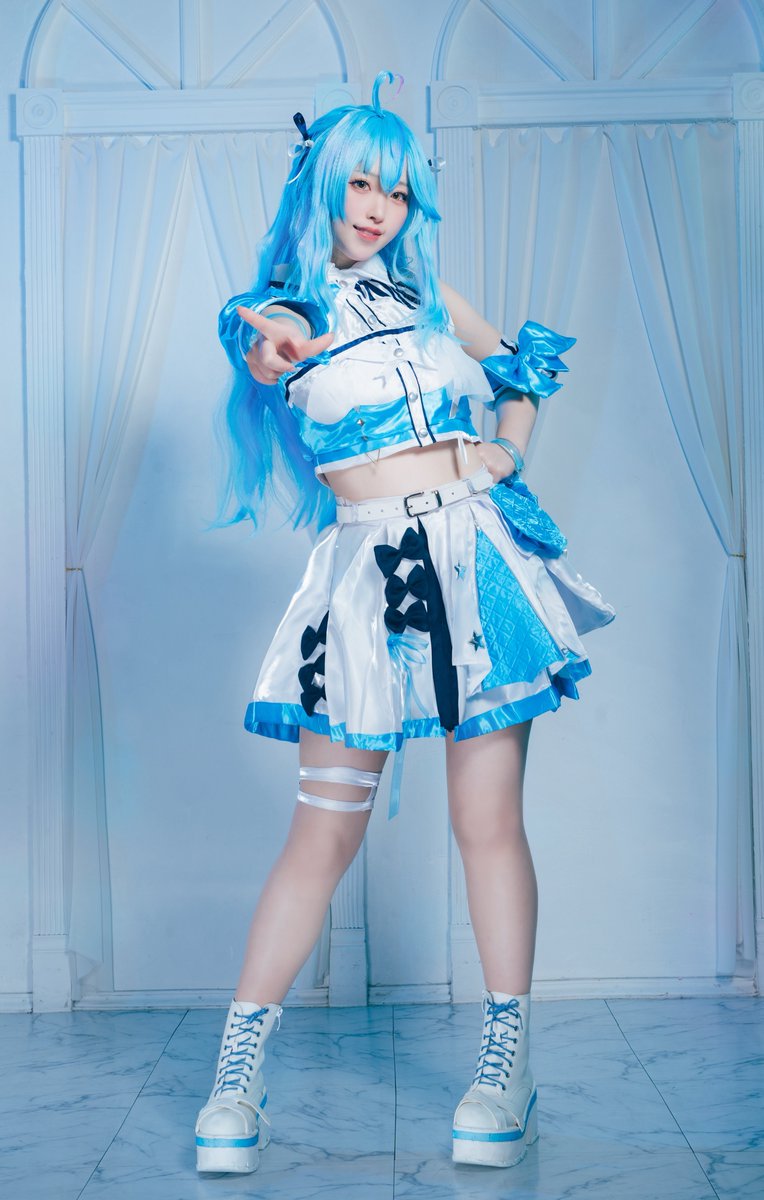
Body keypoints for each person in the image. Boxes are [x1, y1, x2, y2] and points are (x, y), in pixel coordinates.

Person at [194, 71, 615, 1177]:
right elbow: (260, 337)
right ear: (321, 187)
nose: (378, 208)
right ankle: (235, 1077)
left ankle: (505, 1064)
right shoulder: (283, 307)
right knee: (323, 834)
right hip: (363, 579)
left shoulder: (428, 300)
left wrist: (506, 449)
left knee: (487, 821)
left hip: (475, 561)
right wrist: (267, 343)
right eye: (359, 185)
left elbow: (521, 372)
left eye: (396, 189)